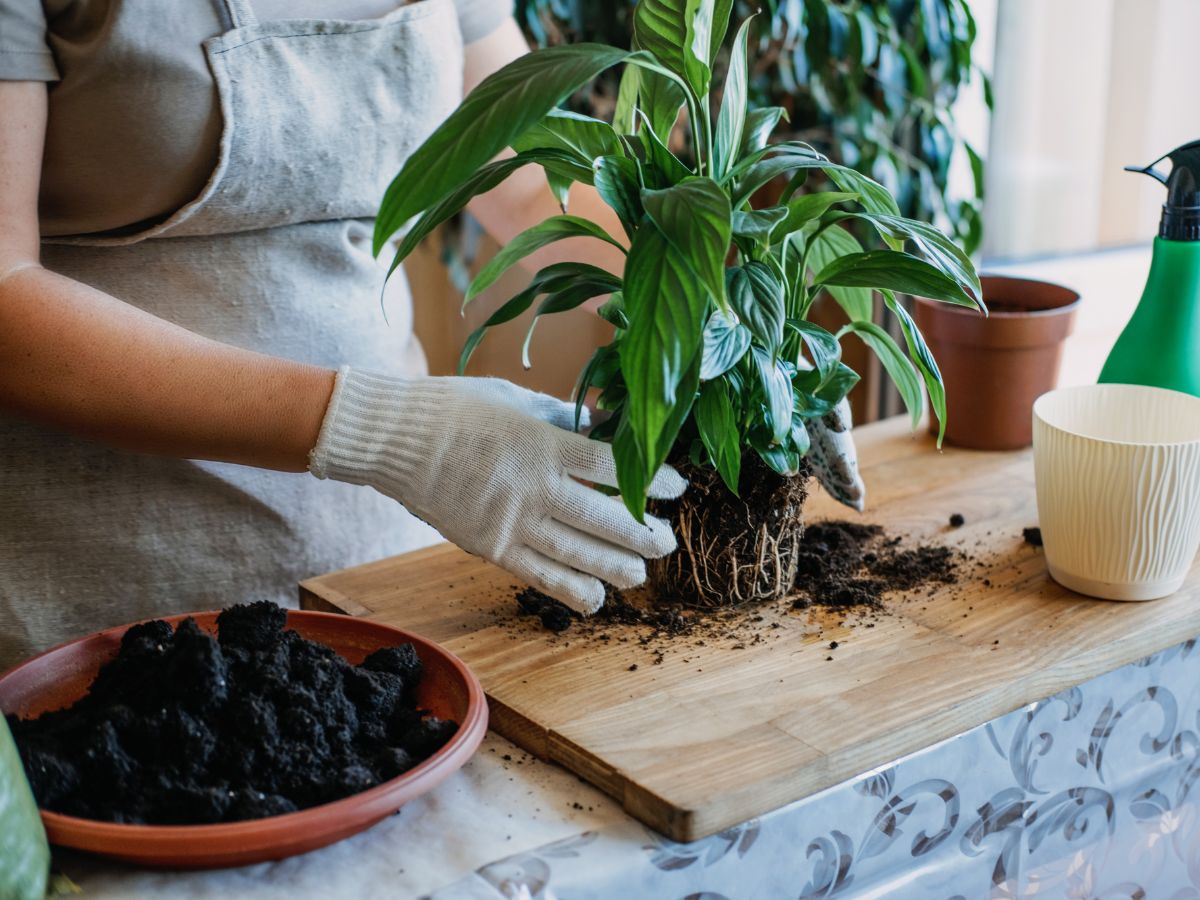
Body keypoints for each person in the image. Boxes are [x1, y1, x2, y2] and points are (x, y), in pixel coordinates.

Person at [0, 0, 862, 669]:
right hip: (111, 599)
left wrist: (724, 325)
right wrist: (383, 431)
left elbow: (527, 180)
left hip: (387, 572)